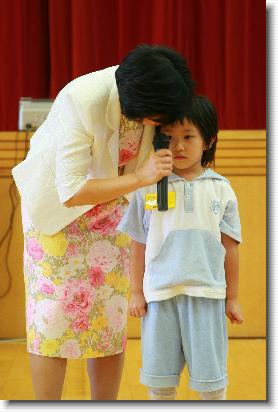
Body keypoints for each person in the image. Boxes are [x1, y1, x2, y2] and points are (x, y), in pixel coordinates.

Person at [12, 44, 195, 400]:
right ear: (141, 102)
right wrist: (141, 178)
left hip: (112, 213)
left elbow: (153, 171)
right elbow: (72, 190)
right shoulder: (83, 98)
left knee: (108, 322)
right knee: (52, 324)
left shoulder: (153, 102)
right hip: (58, 213)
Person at [117, 95, 244, 401]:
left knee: (212, 385)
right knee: (160, 384)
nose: (179, 146)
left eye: (189, 137)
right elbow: (138, 242)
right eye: (170, 138)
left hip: (207, 297)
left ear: (208, 140)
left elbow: (230, 247)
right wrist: (136, 291)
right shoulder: (147, 187)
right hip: (160, 296)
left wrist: (233, 297)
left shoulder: (222, 188)